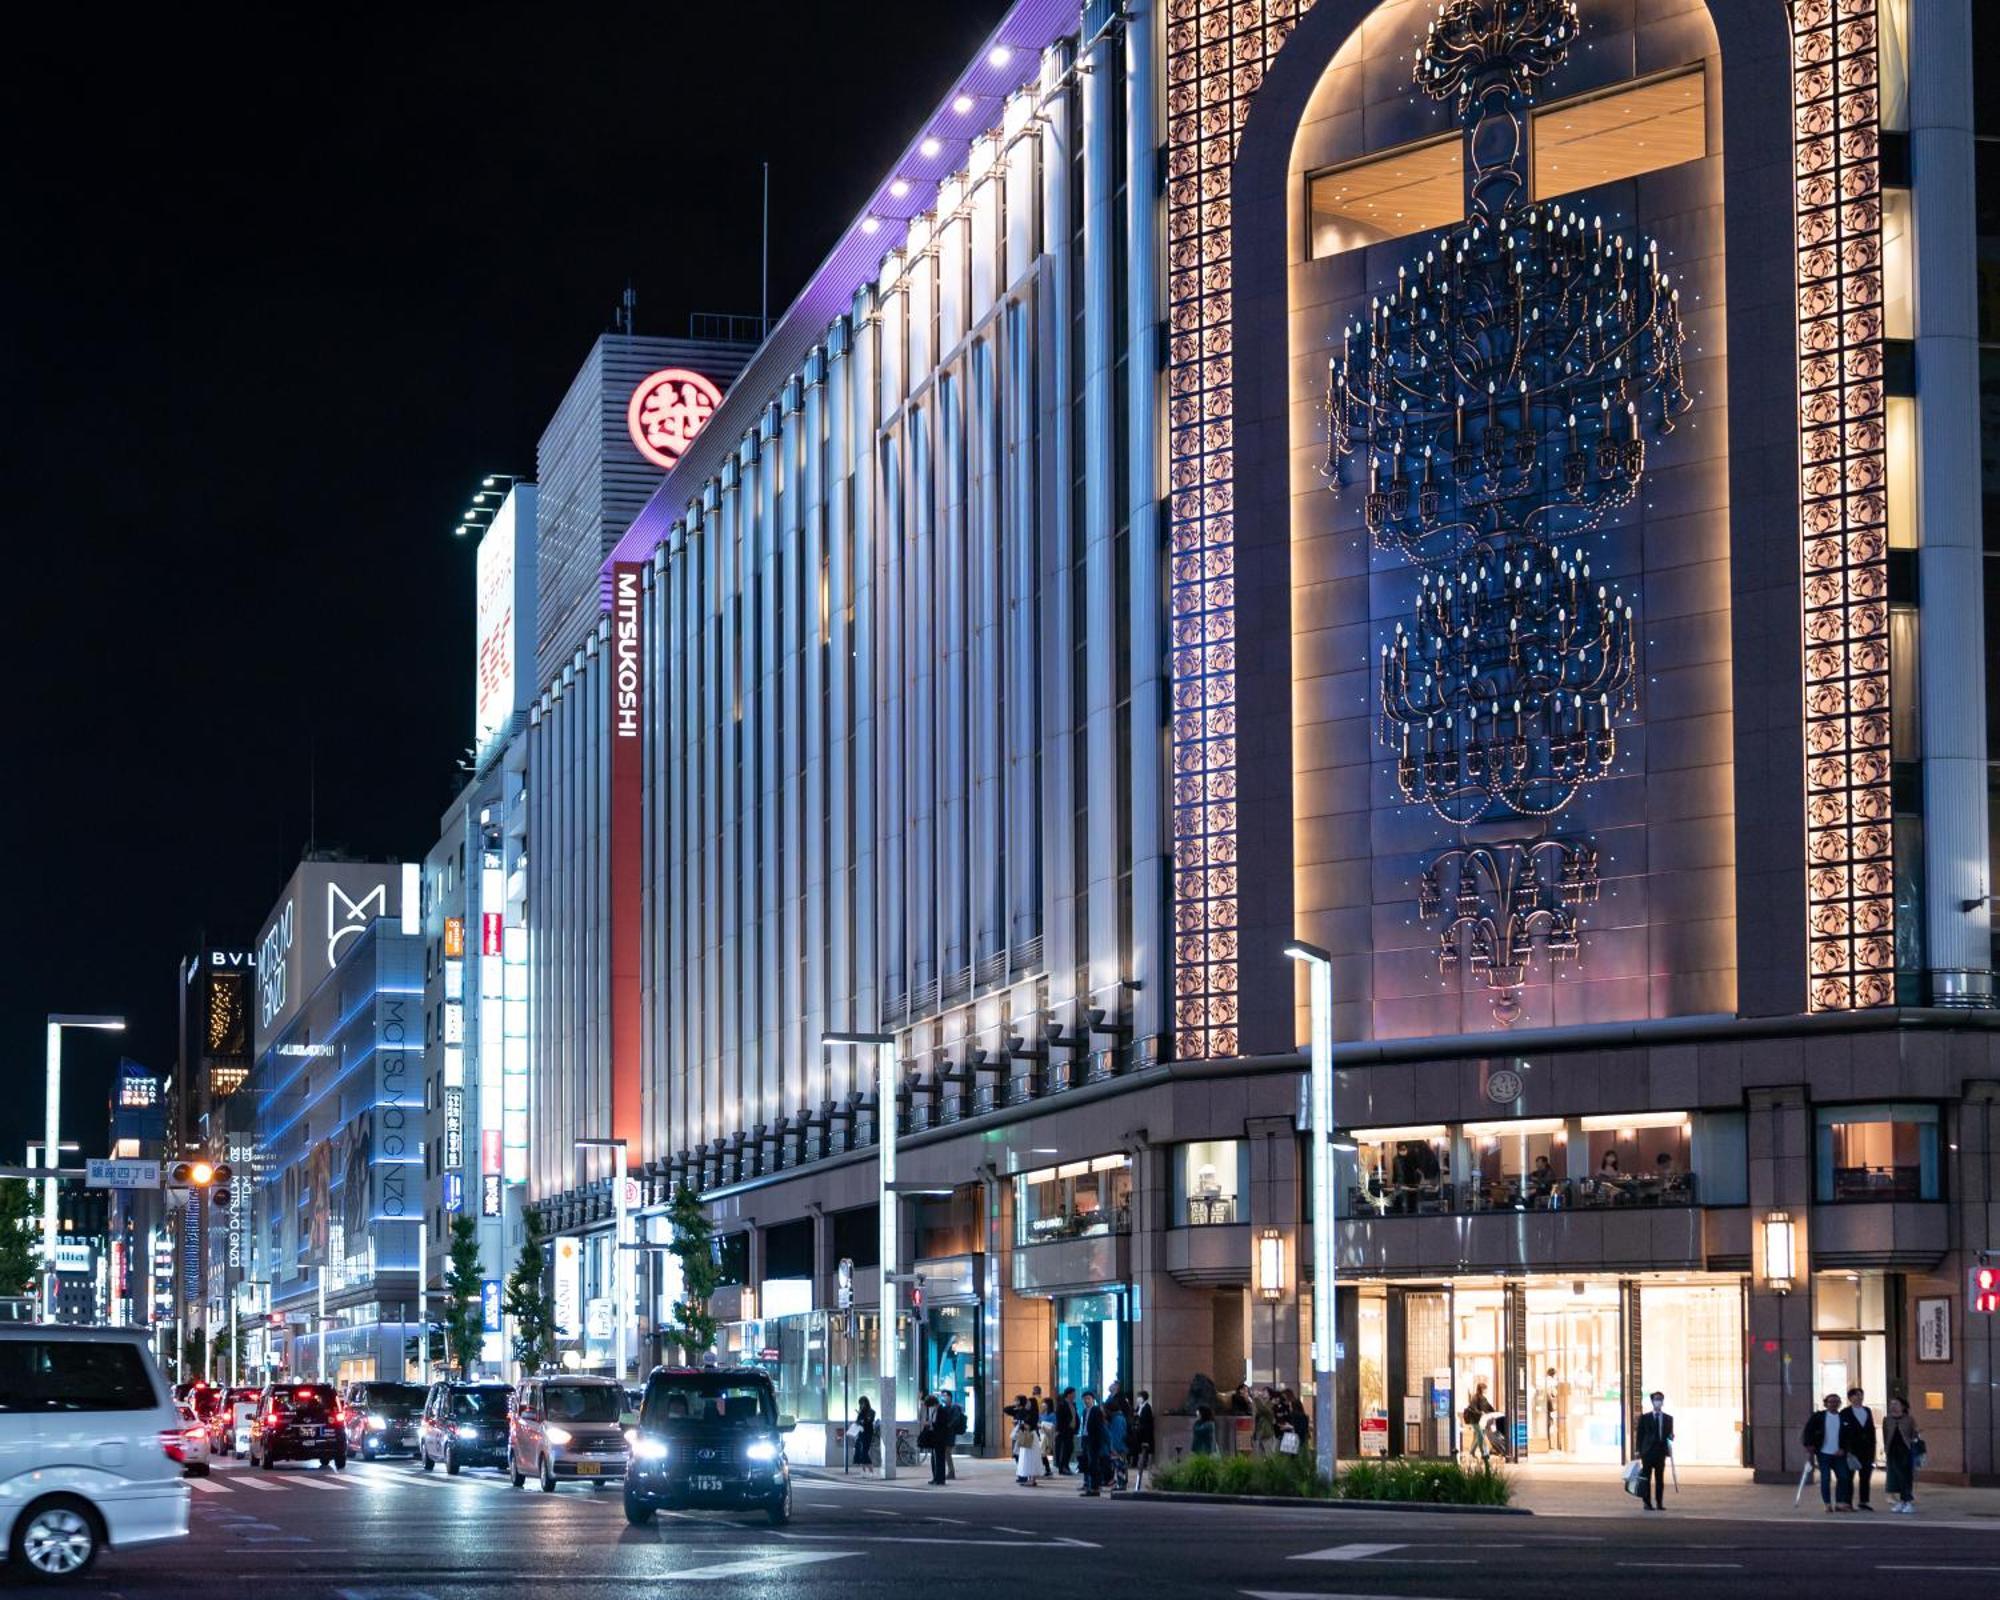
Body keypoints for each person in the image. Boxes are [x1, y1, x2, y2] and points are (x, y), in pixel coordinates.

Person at [1805, 1393, 1850, 1511]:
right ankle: (1827, 1503)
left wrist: (1844, 1449)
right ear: (1826, 1404)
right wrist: (1809, 1444)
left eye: (1836, 1401)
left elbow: (1848, 1437)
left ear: (1839, 1404)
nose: (1834, 1404)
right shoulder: (1818, 1417)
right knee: (1825, 1478)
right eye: (1831, 1402)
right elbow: (1808, 1430)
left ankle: (1839, 1502)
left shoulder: (1844, 1418)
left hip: (1839, 1454)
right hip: (1823, 1453)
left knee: (1843, 1477)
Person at [1633, 1390, 1673, 1511]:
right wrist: (1638, 1450)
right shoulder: (1645, 1418)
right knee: (1646, 1479)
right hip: (1647, 1452)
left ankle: (1659, 1503)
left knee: (1659, 1479)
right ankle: (1647, 1503)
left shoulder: (1668, 1418)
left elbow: (1669, 1435)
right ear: (1652, 1401)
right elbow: (1640, 1435)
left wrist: (1671, 1437)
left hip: (1660, 1452)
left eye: (1660, 1399)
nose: (1658, 1401)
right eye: (1656, 1399)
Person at [1840, 1386, 1877, 1510]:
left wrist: (1873, 1450)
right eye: (1856, 1395)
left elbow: (1871, 1431)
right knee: (1849, 1477)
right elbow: (1842, 1433)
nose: (1859, 1397)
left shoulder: (1867, 1410)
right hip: (1851, 1450)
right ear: (1850, 1398)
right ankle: (1847, 1502)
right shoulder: (1845, 1412)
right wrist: (1845, 1448)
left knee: (1865, 1476)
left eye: (1861, 1395)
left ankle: (1864, 1501)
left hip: (1867, 1449)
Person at [1882, 1395, 1920, 1514]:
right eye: (1891, 1404)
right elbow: (1885, 1435)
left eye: (1896, 1404)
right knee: (1894, 1477)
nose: (1893, 1407)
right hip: (1892, 1450)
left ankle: (1907, 1500)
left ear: (1903, 1406)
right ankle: (1901, 1501)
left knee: (1905, 1476)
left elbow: (1914, 1434)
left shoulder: (1909, 1419)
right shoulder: (1887, 1419)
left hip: (1905, 1450)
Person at [1077, 1390, 1108, 1496]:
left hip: (1093, 1441)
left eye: (1088, 1399)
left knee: (1093, 1464)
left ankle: (1095, 1488)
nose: (1086, 1401)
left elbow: (1100, 1428)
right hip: (1085, 1439)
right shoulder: (1085, 1411)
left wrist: (1098, 1442)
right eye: (1084, 1399)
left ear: (1093, 1400)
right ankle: (1089, 1485)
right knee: (1086, 1464)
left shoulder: (1096, 1411)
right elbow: (1084, 1426)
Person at [921, 1392, 950, 1486]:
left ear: (933, 1404)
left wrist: (931, 1424)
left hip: (940, 1439)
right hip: (934, 1438)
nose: (930, 1408)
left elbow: (942, 1425)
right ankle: (936, 1477)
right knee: (934, 1459)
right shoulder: (934, 1411)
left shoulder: (942, 1410)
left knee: (940, 1459)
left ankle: (940, 1479)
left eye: (930, 1406)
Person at [1462, 1380, 1495, 1462]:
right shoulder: (1475, 1397)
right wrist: (1480, 1413)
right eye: (1485, 1389)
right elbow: (1473, 1408)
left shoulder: (1484, 1398)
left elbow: (1489, 1407)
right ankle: (1485, 1453)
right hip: (1475, 1420)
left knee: (1478, 1436)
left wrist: (1494, 1412)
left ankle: (1472, 1452)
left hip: (1482, 1421)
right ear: (1481, 1389)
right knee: (1481, 1436)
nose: (1486, 1390)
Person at [1011, 1401, 1041, 1486]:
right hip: (1031, 1436)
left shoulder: (1031, 1415)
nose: (1027, 1404)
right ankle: (1031, 1479)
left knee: (1029, 1458)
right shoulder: (1032, 1414)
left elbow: (1028, 1426)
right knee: (1030, 1458)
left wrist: (1021, 1424)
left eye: (1028, 1402)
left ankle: (1031, 1480)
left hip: (1029, 1436)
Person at [1131, 1389, 1157, 1485]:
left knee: (1145, 1448)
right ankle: (1140, 1463)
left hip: (1145, 1432)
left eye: (1139, 1397)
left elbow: (1147, 1421)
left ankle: (1144, 1463)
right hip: (1138, 1432)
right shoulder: (1139, 1407)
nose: (1138, 1399)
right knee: (1138, 1448)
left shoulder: (1147, 1407)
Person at [1055, 1387, 1079, 1475]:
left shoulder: (1073, 1404)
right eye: (1074, 1393)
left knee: (1069, 1448)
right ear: (1069, 1394)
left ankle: (1065, 1466)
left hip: (1071, 1430)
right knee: (1065, 1449)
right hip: (1064, 1430)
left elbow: (1075, 1417)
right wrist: (1059, 1430)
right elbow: (1059, 1418)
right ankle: (1063, 1467)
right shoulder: (1062, 1404)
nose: (1075, 1395)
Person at [852, 1395, 876, 1472]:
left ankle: (871, 1470)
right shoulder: (861, 1412)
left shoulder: (872, 1412)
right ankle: (864, 1471)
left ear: (866, 1403)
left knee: (865, 1452)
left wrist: (862, 1417)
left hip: (868, 1433)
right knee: (859, 1451)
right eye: (860, 1404)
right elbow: (858, 1422)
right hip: (861, 1433)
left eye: (862, 1403)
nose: (861, 1405)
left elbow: (869, 1421)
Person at [1252, 1387, 1278, 1455]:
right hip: (1259, 1434)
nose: (1262, 1392)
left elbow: (1264, 1410)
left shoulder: (1271, 1404)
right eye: (1262, 1391)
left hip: (1267, 1434)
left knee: (1269, 1456)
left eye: (1265, 1391)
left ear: (1270, 1395)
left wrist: (1256, 1398)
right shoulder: (1262, 1404)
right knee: (1260, 1457)